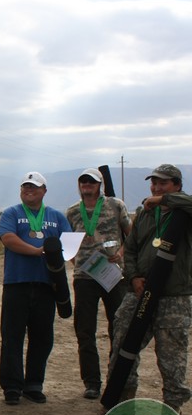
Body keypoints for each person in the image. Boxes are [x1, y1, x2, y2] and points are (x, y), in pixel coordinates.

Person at [106, 164, 192, 412]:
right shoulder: (144, 214)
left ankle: (172, 407)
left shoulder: (184, 212)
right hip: (139, 292)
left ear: (177, 185)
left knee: (172, 355)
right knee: (123, 343)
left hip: (174, 296)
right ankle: (122, 399)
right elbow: (131, 248)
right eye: (154, 183)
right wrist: (133, 277)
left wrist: (161, 200)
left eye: (163, 183)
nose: (156, 188)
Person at [0, 172, 71, 405]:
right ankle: (12, 387)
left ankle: (33, 384)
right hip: (16, 283)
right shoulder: (12, 213)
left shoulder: (56, 217)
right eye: (25, 186)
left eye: (34, 187)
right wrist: (38, 251)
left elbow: (69, 246)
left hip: (46, 285)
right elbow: (8, 239)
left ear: (44, 191)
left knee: (42, 337)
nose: (29, 190)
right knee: (12, 336)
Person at [65, 168, 131, 400]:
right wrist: (78, 263)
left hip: (113, 276)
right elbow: (67, 245)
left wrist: (121, 253)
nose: (87, 185)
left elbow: (131, 235)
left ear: (99, 184)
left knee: (118, 327)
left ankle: (116, 377)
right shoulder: (73, 211)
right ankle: (91, 382)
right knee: (85, 331)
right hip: (85, 279)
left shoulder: (116, 205)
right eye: (83, 181)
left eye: (91, 181)